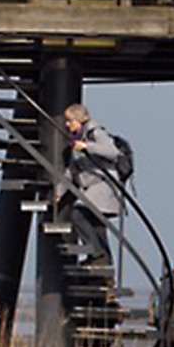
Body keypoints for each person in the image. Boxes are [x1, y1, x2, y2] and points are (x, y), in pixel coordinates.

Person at [57, 103, 123, 268]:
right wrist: (59, 191)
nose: (67, 124)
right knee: (96, 224)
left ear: (79, 120)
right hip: (90, 186)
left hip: (103, 183)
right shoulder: (76, 141)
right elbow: (71, 171)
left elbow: (112, 152)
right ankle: (102, 258)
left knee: (79, 213)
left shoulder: (95, 133)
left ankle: (96, 253)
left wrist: (88, 147)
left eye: (70, 121)